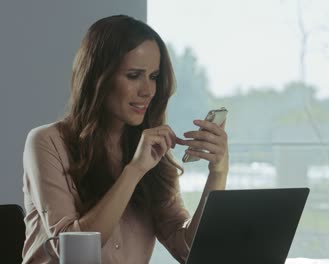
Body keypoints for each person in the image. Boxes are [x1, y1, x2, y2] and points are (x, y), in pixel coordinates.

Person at [21, 15, 229, 264]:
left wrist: (218, 173)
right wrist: (134, 171)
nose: (148, 90)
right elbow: (71, 252)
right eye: (133, 76)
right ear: (98, 77)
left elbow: (187, 250)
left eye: (153, 76)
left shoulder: (151, 150)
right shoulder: (47, 142)